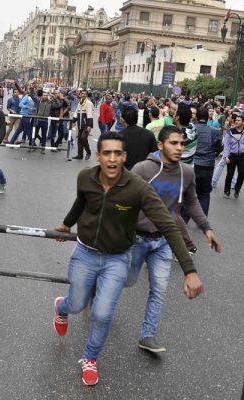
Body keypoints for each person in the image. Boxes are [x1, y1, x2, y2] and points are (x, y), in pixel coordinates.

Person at [52, 131, 203, 386]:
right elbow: (82, 202)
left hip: (117, 259)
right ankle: (61, 307)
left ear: (124, 156)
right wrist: (67, 225)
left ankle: (90, 358)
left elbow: (168, 225)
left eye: (117, 154)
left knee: (102, 314)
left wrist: (189, 270)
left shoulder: (138, 188)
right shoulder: (85, 177)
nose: (112, 159)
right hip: (85, 253)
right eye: (106, 153)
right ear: (98, 155)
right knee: (77, 304)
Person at [128, 125, 221, 353]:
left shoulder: (187, 172)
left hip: (164, 241)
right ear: (160, 145)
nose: (179, 148)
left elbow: (191, 202)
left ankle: (147, 335)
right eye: (174, 143)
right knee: (126, 281)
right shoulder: (143, 169)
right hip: (137, 239)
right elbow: (124, 197)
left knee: (159, 289)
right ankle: (97, 288)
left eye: (182, 143)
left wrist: (207, 228)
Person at [185, 107, 222, 216]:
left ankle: (186, 218)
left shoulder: (191, 129)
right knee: (205, 194)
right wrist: (213, 153)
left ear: (196, 116)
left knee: (190, 193)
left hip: (193, 164)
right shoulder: (214, 131)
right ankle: (202, 218)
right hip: (208, 165)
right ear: (207, 117)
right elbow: (219, 147)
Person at [223, 114, 244, 199]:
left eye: (238, 120)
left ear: (243, 122)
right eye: (236, 120)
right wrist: (226, 156)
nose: (236, 121)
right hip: (232, 155)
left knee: (242, 173)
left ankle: (237, 189)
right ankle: (227, 191)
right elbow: (226, 145)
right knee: (230, 174)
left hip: (242, 156)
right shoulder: (230, 132)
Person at [72, 89, 94, 160]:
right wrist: (73, 121)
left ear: (87, 95)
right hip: (80, 124)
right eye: (82, 94)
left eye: (85, 94)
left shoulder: (88, 103)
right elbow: (76, 112)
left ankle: (88, 152)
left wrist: (89, 125)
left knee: (83, 137)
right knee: (79, 139)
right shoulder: (80, 102)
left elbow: (90, 114)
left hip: (86, 124)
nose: (83, 95)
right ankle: (80, 155)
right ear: (80, 94)